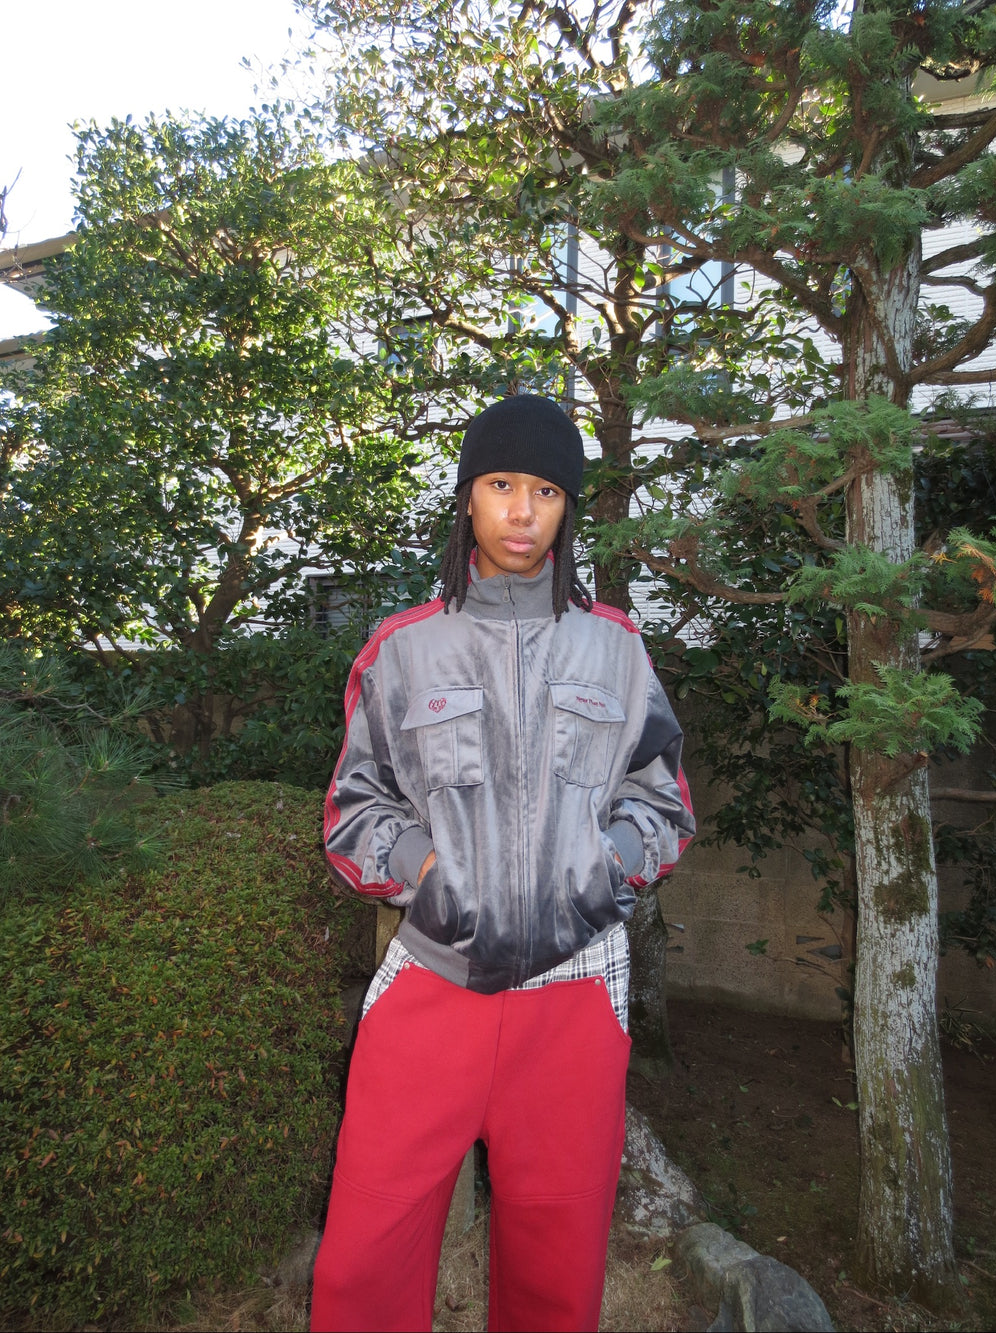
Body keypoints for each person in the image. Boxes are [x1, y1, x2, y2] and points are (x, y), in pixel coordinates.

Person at [310, 394, 695, 1333]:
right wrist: (427, 872)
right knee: (363, 1261)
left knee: (557, 1273)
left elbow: (663, 801)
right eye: (501, 484)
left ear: (569, 509)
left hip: (577, 994)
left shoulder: (616, 648)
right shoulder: (402, 649)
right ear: (469, 499)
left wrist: (603, 866)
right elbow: (354, 810)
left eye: (547, 491)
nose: (523, 511)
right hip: (431, 983)